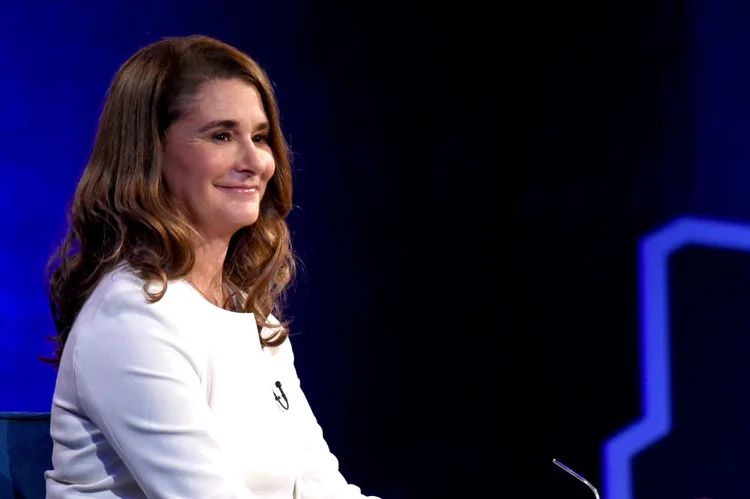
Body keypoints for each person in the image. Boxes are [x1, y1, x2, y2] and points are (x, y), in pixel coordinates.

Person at [44, 35, 380, 499]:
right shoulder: (132, 317)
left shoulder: (248, 312)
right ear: (151, 153)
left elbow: (321, 485)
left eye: (260, 137)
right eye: (222, 135)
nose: (257, 162)